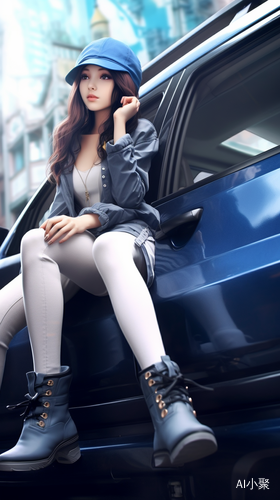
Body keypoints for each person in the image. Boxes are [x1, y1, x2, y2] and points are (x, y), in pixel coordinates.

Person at [0, 38, 217, 471]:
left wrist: (118, 131)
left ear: (122, 85)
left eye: (103, 76)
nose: (92, 86)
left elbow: (134, 198)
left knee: (107, 245)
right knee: (31, 243)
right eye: (85, 76)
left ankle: (170, 403)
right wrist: (62, 223)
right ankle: (50, 420)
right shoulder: (66, 141)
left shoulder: (139, 131)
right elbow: (61, 215)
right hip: (83, 260)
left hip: (125, 241)